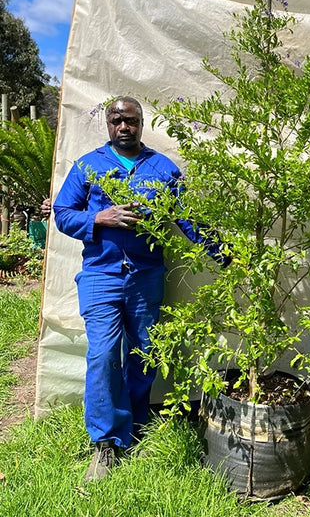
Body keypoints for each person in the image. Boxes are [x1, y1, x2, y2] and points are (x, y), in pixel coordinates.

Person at [53, 96, 228, 481]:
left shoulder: (163, 169)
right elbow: (62, 214)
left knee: (144, 353)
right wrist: (99, 217)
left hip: (145, 276)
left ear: (142, 122)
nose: (123, 127)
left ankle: (133, 423)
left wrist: (226, 256)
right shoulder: (88, 166)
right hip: (100, 275)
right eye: (116, 120)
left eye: (130, 120)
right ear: (108, 124)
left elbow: (188, 220)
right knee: (101, 354)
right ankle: (106, 442)